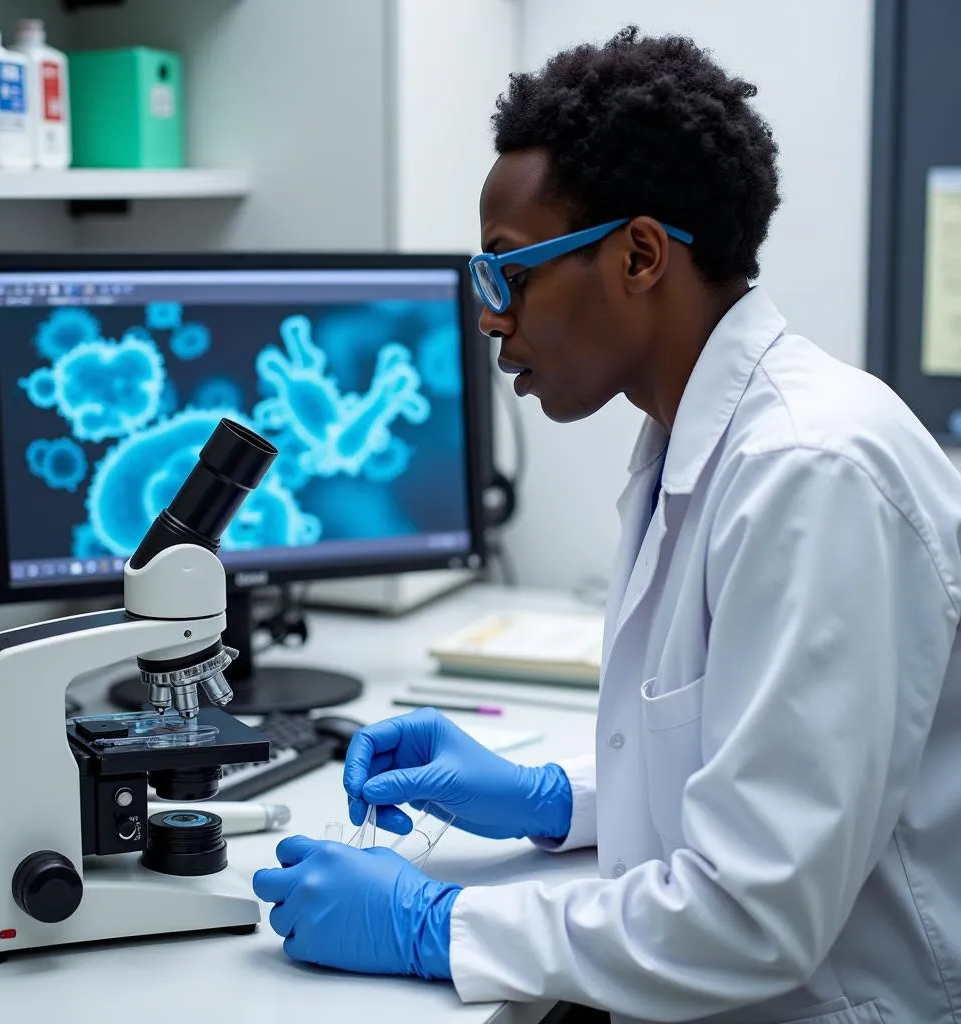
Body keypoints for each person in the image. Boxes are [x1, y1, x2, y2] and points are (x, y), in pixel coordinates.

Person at [252, 26, 961, 1023]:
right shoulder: (688, 448)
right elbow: (739, 762)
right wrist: (553, 795)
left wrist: (436, 924)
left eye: (506, 272)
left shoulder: (808, 472)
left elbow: (752, 911)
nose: (490, 318)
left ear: (636, 255)